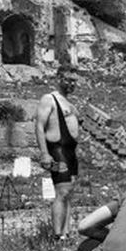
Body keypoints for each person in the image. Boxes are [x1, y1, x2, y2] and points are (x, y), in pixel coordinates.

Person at [34, 64, 80, 240]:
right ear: (59, 78)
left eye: (74, 81)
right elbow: (39, 125)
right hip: (57, 150)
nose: (71, 84)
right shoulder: (49, 99)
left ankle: (66, 234)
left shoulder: (69, 102)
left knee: (69, 193)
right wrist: (44, 153)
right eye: (68, 80)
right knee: (61, 193)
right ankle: (57, 236)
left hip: (70, 152)